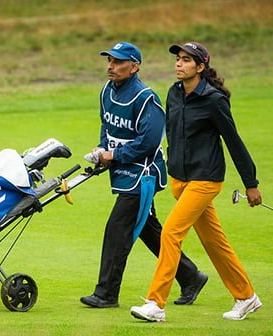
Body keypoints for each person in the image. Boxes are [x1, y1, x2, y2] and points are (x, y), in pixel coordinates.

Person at [130, 42, 263, 322]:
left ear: (200, 67)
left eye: (186, 60)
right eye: (178, 59)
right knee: (214, 242)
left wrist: (250, 183)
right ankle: (246, 296)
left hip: (205, 179)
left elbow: (233, 141)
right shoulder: (174, 93)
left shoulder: (214, 100)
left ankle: (155, 304)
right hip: (181, 180)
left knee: (171, 233)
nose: (179, 64)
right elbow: (168, 135)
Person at [80, 42, 208, 309]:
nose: (110, 66)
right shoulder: (106, 91)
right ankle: (190, 276)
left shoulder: (145, 98)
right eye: (109, 61)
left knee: (118, 230)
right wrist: (102, 149)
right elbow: (107, 124)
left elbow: (148, 144)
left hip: (143, 175)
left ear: (134, 66)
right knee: (148, 230)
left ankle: (106, 294)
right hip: (123, 171)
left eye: (118, 62)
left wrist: (114, 156)